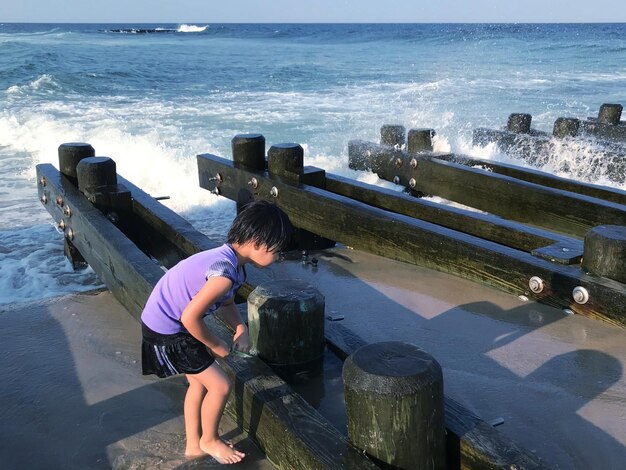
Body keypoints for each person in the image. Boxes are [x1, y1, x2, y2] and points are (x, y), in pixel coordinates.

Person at [140, 200, 293, 464]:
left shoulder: (232, 264)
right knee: (220, 385)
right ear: (257, 242)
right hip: (169, 330)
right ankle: (209, 440)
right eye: (277, 251)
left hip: (163, 322)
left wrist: (240, 327)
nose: (278, 257)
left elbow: (226, 302)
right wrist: (217, 345)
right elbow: (190, 317)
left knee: (198, 384)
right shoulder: (223, 274)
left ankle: (193, 445)